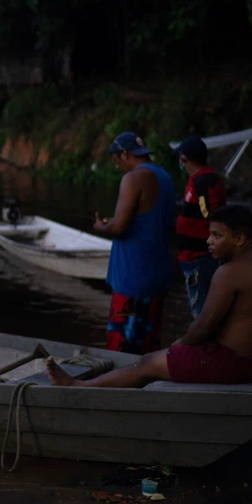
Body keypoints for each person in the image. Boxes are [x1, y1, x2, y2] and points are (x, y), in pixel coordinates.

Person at [47, 206, 252, 388]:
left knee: (147, 363)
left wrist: (179, 346)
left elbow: (203, 328)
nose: (209, 241)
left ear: (239, 239)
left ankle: (79, 386)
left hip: (238, 366)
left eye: (217, 235)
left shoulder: (229, 272)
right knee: (163, 357)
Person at [93, 132, 175, 354]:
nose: (117, 167)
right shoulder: (165, 177)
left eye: (116, 160)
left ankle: (118, 389)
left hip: (133, 279)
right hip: (158, 276)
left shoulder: (133, 178)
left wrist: (101, 226)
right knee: (148, 346)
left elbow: (119, 227)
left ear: (125, 153)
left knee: (121, 349)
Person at [174, 136, 226, 318]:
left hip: (200, 259)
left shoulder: (204, 182)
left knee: (202, 313)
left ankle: (205, 345)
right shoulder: (198, 179)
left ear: (184, 158)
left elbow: (214, 216)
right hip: (193, 258)